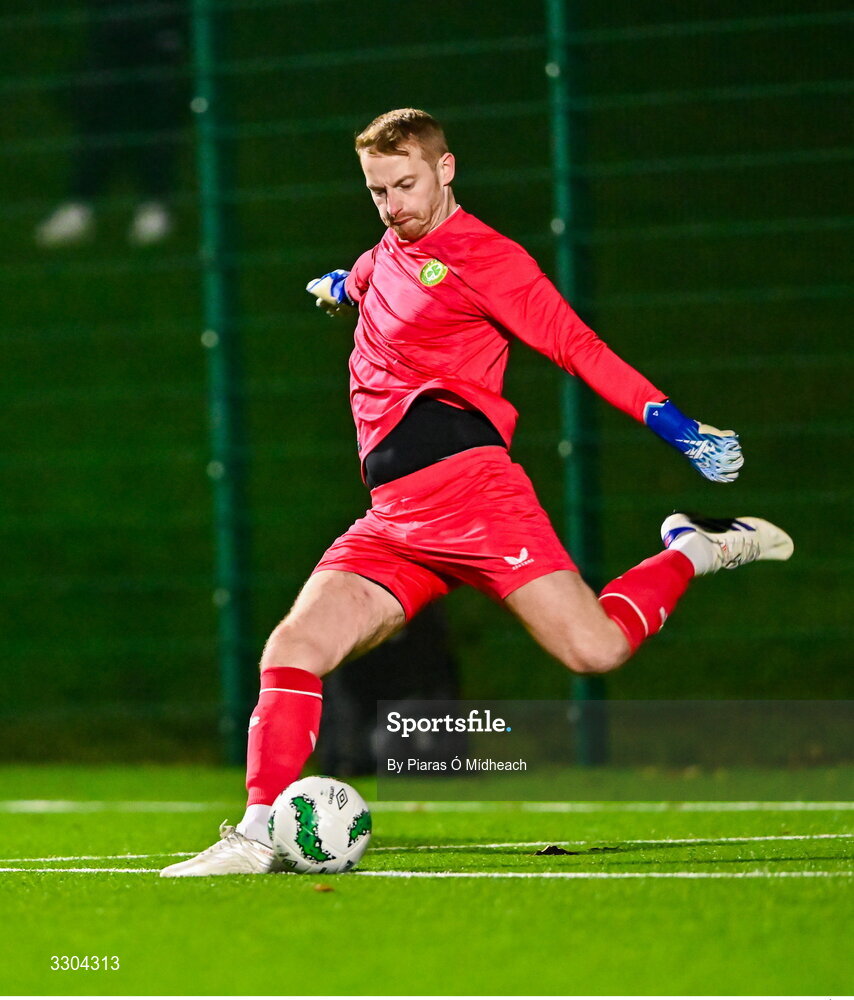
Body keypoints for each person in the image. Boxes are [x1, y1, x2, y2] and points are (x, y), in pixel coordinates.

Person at [161, 109, 793, 877]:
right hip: (394, 520)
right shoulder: (387, 249)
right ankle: (257, 835)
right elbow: (367, 277)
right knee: (293, 646)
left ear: (446, 168)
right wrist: (338, 284)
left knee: (593, 649)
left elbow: (576, 346)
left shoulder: (490, 259)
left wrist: (674, 423)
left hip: (473, 496)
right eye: (377, 191)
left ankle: (696, 547)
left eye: (405, 184)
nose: (394, 204)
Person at [34, 0, 186, 247]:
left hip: (161, 20)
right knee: (98, 111)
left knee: (155, 111)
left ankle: (155, 204)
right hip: (111, 19)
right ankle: (80, 206)